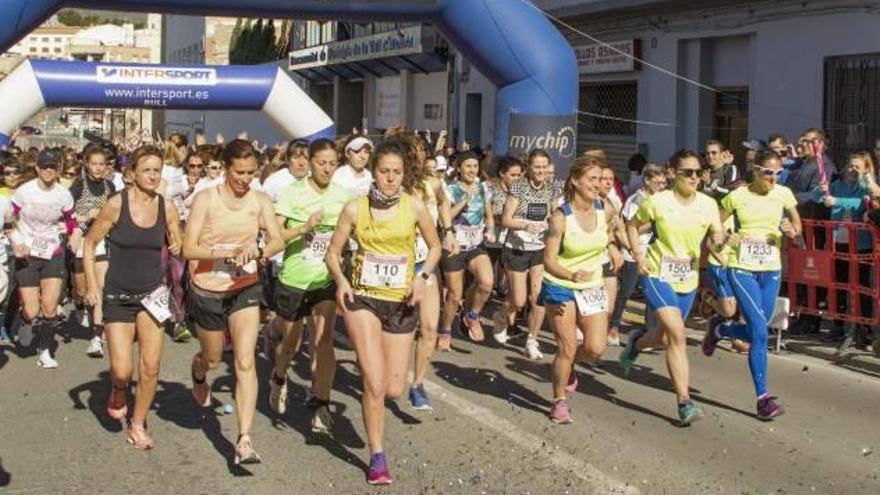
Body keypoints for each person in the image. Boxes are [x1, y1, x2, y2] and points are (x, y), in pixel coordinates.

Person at [324, 139, 441, 485]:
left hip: (401, 301)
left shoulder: (415, 207)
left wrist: (422, 277)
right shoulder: (354, 209)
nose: (390, 178)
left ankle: (378, 418)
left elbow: (434, 247)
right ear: (374, 173)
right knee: (373, 383)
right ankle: (377, 455)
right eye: (384, 172)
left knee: (392, 389)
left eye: (396, 173)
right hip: (364, 298)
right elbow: (333, 253)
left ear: (404, 175)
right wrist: (342, 282)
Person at [184, 139, 284, 465]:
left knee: (244, 361)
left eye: (251, 173)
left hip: (245, 286)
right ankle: (199, 375)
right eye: (239, 173)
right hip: (208, 289)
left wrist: (258, 251)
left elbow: (277, 238)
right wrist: (227, 252)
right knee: (213, 359)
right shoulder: (205, 199)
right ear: (226, 169)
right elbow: (189, 249)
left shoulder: (259, 199)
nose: (245, 180)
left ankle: (244, 439)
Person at [83, 145, 182, 448]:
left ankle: (137, 424)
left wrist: (178, 246)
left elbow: (178, 242)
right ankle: (118, 388)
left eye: (157, 170)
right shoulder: (116, 204)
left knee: (150, 367)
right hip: (118, 294)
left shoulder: (166, 207)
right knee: (123, 370)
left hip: (152, 295)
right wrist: (91, 286)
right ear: (132, 174)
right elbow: (89, 244)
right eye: (147, 170)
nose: (153, 176)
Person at [619, 149, 725, 425]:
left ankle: (636, 343)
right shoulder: (658, 202)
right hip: (657, 273)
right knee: (678, 334)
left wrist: (723, 248)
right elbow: (631, 225)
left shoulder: (708, 204)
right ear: (673, 173)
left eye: (698, 172)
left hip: (687, 278)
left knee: (664, 337)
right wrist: (638, 256)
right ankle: (684, 402)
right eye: (687, 172)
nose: (694, 177)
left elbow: (715, 239)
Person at [702, 150, 801, 420]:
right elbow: (716, 226)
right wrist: (726, 236)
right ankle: (763, 398)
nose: (773, 178)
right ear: (756, 171)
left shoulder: (783, 194)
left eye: (778, 173)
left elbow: (797, 225)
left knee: (762, 324)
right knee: (759, 330)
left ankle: (721, 328)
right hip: (742, 267)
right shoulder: (738, 196)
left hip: (770, 268)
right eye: (768, 172)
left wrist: (792, 231)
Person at [269, 138, 349, 434]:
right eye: (321, 163)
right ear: (310, 162)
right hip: (294, 277)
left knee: (323, 340)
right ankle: (279, 377)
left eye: (332, 163)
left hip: (325, 278)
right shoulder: (293, 192)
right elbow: (275, 234)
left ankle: (321, 403)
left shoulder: (343, 196)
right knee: (289, 345)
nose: (327, 168)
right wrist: (304, 228)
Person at [542, 155, 619, 424]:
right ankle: (559, 401)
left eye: (600, 179)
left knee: (596, 348)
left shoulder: (606, 209)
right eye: (592, 179)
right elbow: (549, 260)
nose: (597, 184)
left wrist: (612, 248)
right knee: (566, 346)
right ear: (575, 181)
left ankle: (570, 365)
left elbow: (608, 234)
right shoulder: (560, 217)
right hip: (561, 286)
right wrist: (571, 273)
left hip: (591, 287)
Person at [10, 148, 75, 368]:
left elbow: (71, 220)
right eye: (44, 167)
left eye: (52, 167)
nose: (48, 170)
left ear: (58, 170)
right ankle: (25, 318)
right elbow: (10, 220)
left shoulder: (63, 195)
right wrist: (17, 241)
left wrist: (69, 231)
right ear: (37, 169)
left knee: (49, 307)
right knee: (32, 309)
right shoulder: (24, 192)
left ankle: (45, 351)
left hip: (52, 253)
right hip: (28, 253)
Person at [495, 149, 559, 360]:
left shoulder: (551, 188)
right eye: (537, 167)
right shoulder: (519, 188)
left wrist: (553, 226)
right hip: (517, 248)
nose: (541, 171)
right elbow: (505, 220)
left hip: (539, 248)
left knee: (538, 298)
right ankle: (501, 316)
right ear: (528, 168)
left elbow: (554, 215)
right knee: (519, 300)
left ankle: (532, 340)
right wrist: (525, 224)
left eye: (544, 167)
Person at [439, 151, 494, 346]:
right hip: (453, 245)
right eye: (468, 166)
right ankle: (445, 330)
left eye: (475, 166)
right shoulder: (450, 189)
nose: (472, 170)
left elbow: (489, 214)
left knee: (486, 282)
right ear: (460, 168)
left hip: (475, 244)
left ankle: (472, 315)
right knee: (454, 295)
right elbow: (444, 217)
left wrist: (491, 229)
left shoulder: (482, 188)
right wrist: (464, 199)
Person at [609, 164, 666, 342]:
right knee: (626, 291)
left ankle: (649, 330)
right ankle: (614, 327)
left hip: (653, 253)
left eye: (664, 183)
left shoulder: (661, 200)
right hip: (634, 252)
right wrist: (652, 223)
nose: (662, 187)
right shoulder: (636, 200)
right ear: (647, 181)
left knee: (651, 291)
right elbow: (629, 228)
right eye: (658, 183)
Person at [68, 144, 116, 357]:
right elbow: (66, 214)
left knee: (99, 287)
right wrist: (85, 217)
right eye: (94, 164)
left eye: (101, 164)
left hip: (100, 241)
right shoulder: (79, 185)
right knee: (82, 290)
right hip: (80, 241)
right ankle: (79, 305)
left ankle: (96, 337)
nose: (98, 168)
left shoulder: (110, 187)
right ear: (86, 165)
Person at [485, 156, 522, 298]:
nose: (517, 178)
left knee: (507, 269)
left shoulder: (520, 191)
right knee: (487, 271)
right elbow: (485, 212)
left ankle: (504, 291)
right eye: (513, 175)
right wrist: (500, 220)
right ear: (502, 173)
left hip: (511, 239)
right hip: (491, 238)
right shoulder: (491, 188)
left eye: (519, 175)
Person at [597, 165, 625, 345]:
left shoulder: (613, 202)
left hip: (607, 259)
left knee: (608, 306)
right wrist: (610, 243)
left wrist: (635, 253)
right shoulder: (585, 204)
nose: (608, 183)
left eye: (611, 179)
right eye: (604, 179)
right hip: (588, 262)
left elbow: (621, 230)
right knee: (590, 310)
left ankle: (597, 343)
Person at [263, 139, 310, 203]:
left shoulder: (320, 180)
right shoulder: (275, 182)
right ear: (287, 159)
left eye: (306, 158)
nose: (301, 163)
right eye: (295, 158)